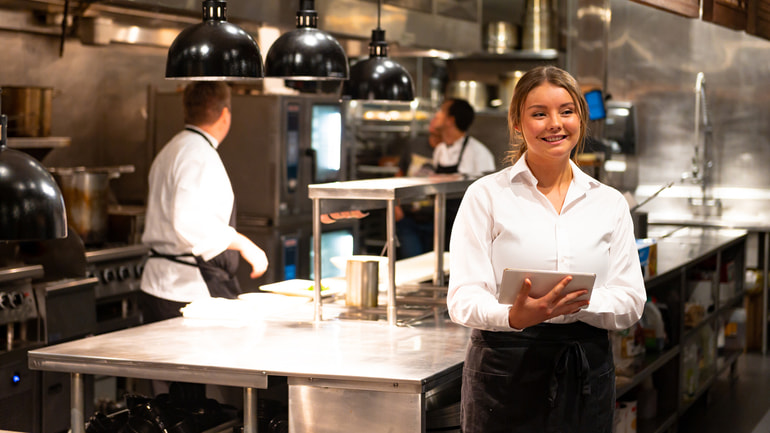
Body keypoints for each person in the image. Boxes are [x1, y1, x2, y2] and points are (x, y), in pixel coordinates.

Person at [446, 66, 646, 433]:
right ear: (518, 123)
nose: (555, 123)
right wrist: (513, 316)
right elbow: (462, 297)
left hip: (584, 367)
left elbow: (632, 300)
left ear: (580, 120)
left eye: (566, 111)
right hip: (504, 370)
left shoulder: (609, 203)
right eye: (539, 113)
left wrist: (579, 301)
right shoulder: (486, 196)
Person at [140, 81, 269, 323]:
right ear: (225, 114)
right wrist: (244, 244)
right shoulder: (197, 154)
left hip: (164, 286)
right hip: (185, 290)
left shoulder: (173, 149)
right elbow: (188, 220)